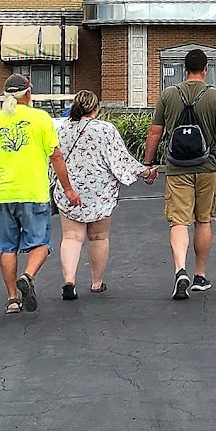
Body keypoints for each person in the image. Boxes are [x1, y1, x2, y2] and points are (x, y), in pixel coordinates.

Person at [0, 73, 82, 315]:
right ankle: (28, 275)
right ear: (28, 93)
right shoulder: (41, 119)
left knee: (7, 247)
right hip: (34, 191)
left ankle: (13, 298)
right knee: (41, 242)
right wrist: (67, 188)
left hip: (2, 194)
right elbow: (55, 156)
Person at [143, 48, 216, 299]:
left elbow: (155, 133)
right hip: (207, 167)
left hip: (177, 169)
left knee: (179, 221)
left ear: (184, 69)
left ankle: (180, 270)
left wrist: (149, 163)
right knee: (204, 220)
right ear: (206, 69)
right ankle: (200, 275)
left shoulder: (168, 95)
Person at [52, 90, 156, 299]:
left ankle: (69, 281)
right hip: (100, 191)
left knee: (71, 237)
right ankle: (96, 282)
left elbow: (53, 158)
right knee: (99, 237)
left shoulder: (61, 129)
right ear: (96, 108)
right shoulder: (105, 129)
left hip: (69, 189)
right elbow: (121, 159)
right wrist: (146, 172)